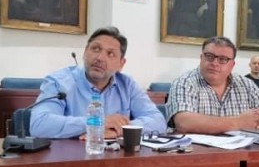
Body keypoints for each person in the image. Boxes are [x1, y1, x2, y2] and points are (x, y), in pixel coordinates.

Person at [30, 27, 166, 138]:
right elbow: (39, 124)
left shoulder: (127, 85)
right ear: (85, 52)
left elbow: (158, 121)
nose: (100, 58)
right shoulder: (59, 82)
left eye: (110, 54)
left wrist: (117, 130)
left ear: (121, 64)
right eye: (95, 49)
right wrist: (97, 123)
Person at [167, 36, 259, 134]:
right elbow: (183, 122)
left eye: (223, 59)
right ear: (201, 58)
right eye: (209, 56)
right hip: (196, 151)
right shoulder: (184, 82)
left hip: (240, 150)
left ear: (232, 65)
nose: (214, 63)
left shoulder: (247, 85)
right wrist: (239, 122)